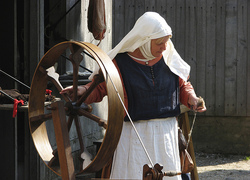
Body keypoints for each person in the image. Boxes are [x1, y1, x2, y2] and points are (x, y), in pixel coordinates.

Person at [61, 12, 206, 180]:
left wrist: (192, 99)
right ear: (144, 40)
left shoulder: (169, 58)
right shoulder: (119, 63)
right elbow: (100, 87)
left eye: (166, 42)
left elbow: (182, 86)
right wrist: (82, 91)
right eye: (160, 43)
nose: (165, 47)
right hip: (132, 136)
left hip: (166, 135)